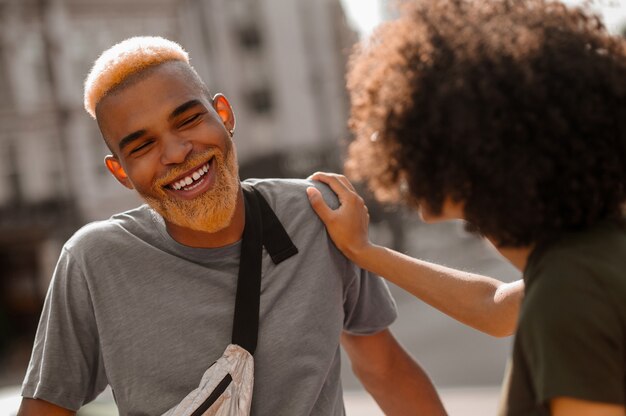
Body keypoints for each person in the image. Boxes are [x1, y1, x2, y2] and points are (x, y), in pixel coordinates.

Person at [17, 36, 446, 416]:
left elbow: (384, 368)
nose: (176, 151)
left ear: (223, 114)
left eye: (187, 120)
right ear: (121, 173)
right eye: (143, 145)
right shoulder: (93, 261)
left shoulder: (317, 214)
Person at [306, 0, 626, 415]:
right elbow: (492, 308)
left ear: (473, 151)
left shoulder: (567, 292)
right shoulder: (591, 253)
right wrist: (366, 253)